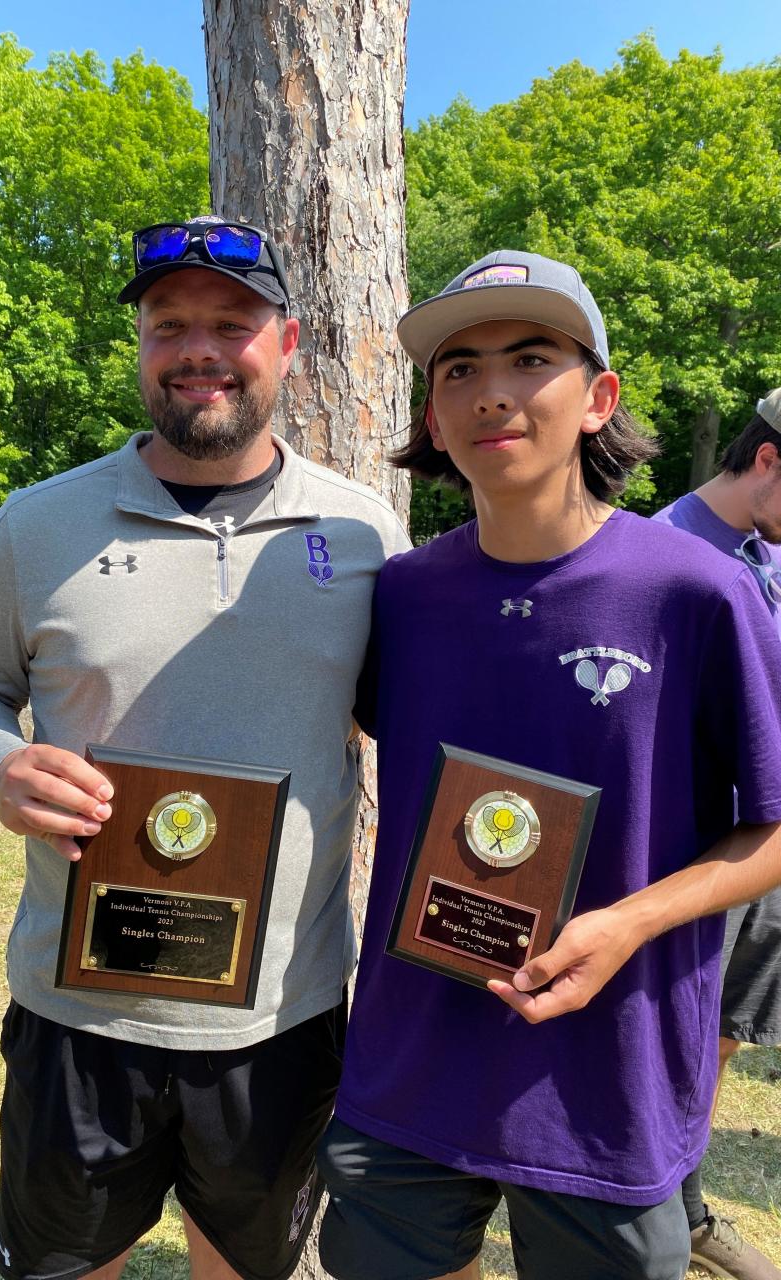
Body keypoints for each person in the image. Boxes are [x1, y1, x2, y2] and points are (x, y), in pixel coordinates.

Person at [0, 214, 409, 1280]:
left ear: (287, 342)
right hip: (78, 1012)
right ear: (140, 345)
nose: (198, 347)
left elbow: (410, 717)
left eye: (231, 323)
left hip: (282, 1016)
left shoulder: (366, 531)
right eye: (168, 322)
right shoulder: (36, 525)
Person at [316, 249, 781, 1280]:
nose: (494, 391)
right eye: (459, 369)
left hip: (607, 1067)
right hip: (416, 1050)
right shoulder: (401, 597)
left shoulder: (698, 594)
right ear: (434, 419)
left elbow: (774, 829)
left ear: (598, 396)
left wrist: (631, 920)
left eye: (531, 357)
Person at [653, 389, 781, 1280]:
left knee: (729, 1028)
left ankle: (686, 1207)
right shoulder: (666, 551)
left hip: (770, 844)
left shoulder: (773, 552)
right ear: (769, 462)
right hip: (702, 847)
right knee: (678, 1031)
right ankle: (653, 1211)